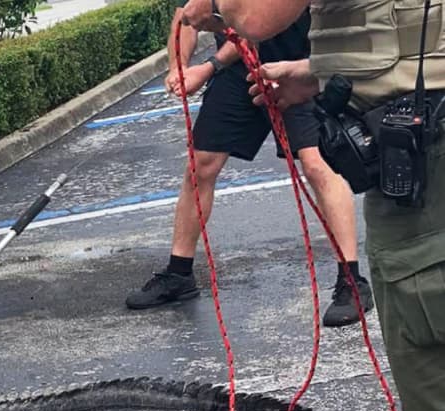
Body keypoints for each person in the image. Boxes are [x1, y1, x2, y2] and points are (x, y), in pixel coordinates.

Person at [183, 0, 445, 411]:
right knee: (419, 356)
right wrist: (316, 72)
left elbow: (254, 14)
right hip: (412, 130)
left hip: (429, 137)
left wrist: (211, 8)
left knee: (431, 353)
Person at [126, 1, 372, 330]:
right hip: (239, 71)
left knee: (317, 164)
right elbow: (186, 17)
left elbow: (252, 27)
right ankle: (178, 273)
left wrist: (208, 67)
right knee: (201, 166)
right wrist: (179, 68)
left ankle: (352, 281)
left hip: (296, 65)